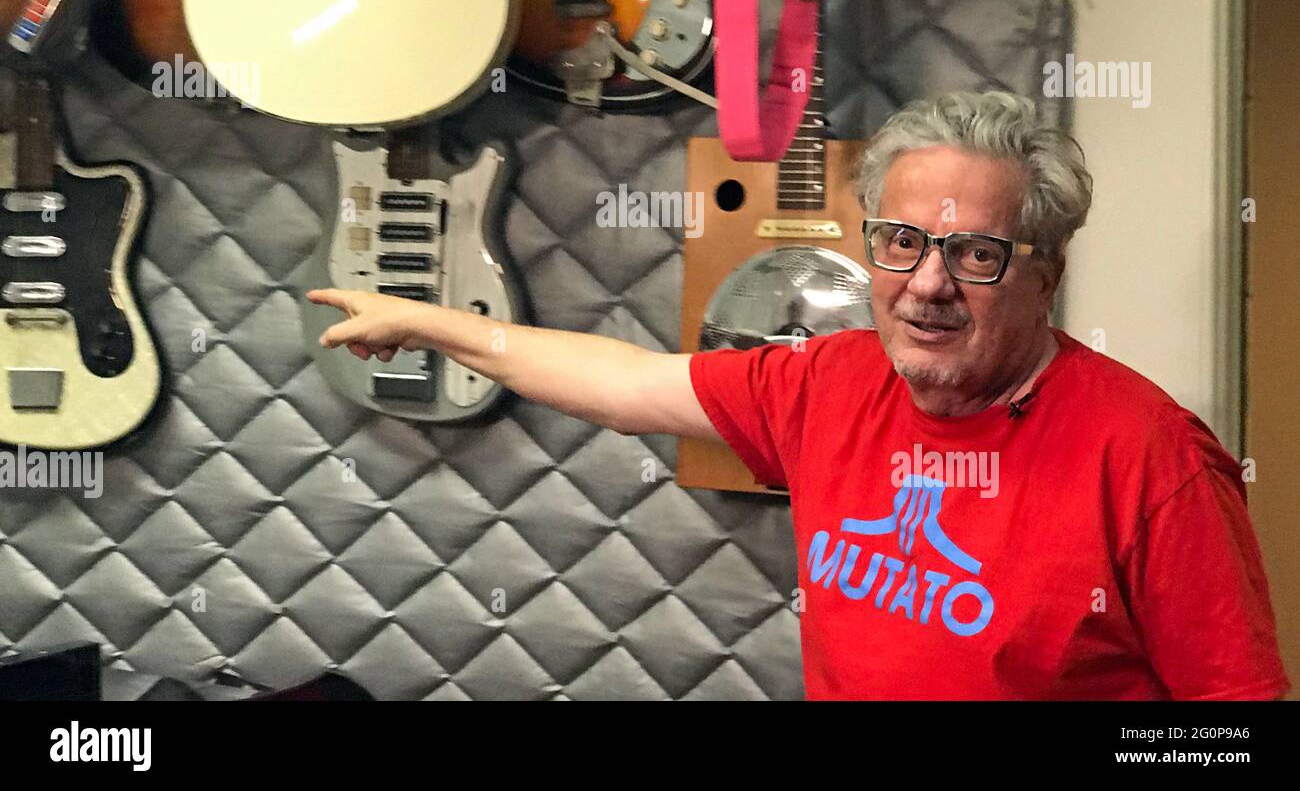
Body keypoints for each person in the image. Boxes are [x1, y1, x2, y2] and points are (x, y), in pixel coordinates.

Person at [308, 90, 1290, 701]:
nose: (926, 284)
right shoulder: (826, 378)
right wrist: (434, 323)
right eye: (899, 242)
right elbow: (629, 383)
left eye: (975, 254)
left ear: (1046, 270)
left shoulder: (1152, 455)